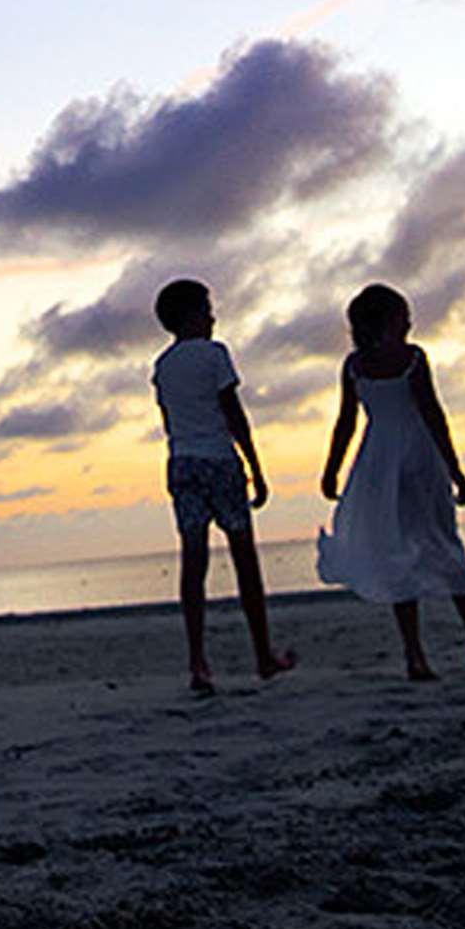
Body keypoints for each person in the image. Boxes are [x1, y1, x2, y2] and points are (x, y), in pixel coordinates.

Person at [315, 283, 465, 680]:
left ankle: (417, 655)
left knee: (400, 549)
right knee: (443, 542)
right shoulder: (412, 358)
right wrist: (455, 469)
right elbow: (433, 414)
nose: (411, 323)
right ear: (387, 322)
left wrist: (333, 468)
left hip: (379, 462)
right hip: (417, 457)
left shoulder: (354, 365)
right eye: (403, 316)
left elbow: (347, 423)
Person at [148, 277, 297, 696]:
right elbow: (233, 412)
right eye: (206, 309)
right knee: (245, 560)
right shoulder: (215, 355)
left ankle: (198, 661)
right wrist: (255, 464)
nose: (213, 317)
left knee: (193, 563)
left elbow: (168, 419)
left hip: (181, 462)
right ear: (190, 316)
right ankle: (262, 654)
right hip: (218, 460)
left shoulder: (162, 365)